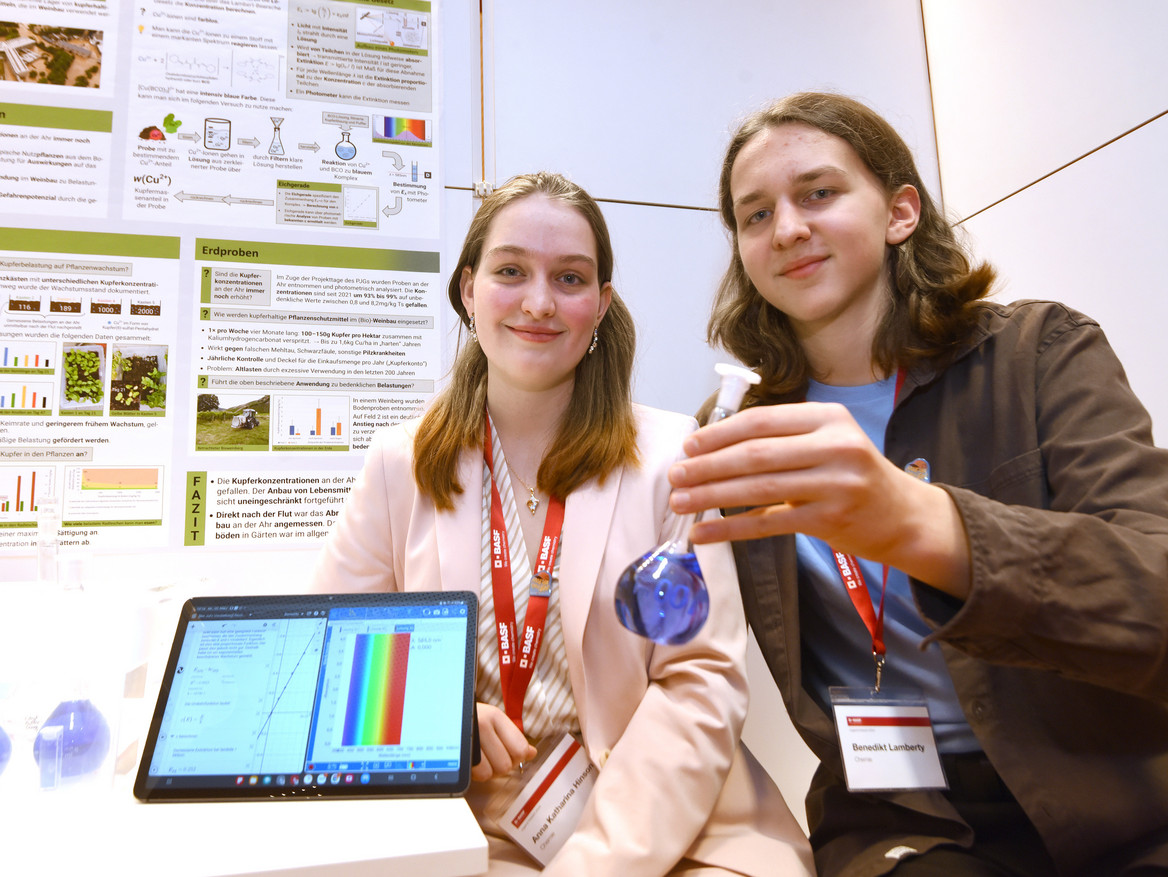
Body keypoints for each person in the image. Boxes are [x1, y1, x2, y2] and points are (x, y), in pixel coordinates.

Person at [667, 92, 1168, 877]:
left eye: (819, 193)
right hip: (897, 815)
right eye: (755, 215)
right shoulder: (741, 429)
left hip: (1114, 793)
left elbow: (1155, 598)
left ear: (901, 212)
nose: (787, 228)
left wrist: (929, 526)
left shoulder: (1041, 353)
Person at [311, 171, 814, 877]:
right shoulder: (401, 463)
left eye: (570, 278)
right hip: (475, 825)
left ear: (601, 304)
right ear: (468, 291)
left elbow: (700, 681)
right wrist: (434, 713)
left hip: (679, 823)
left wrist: (596, 863)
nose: (540, 303)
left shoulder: (670, 458)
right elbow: (336, 664)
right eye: (511, 271)